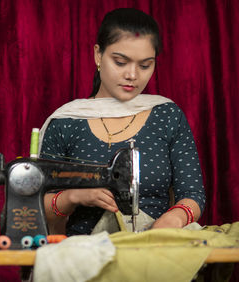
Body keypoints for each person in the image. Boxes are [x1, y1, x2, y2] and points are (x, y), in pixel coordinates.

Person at [39, 8, 206, 236]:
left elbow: (193, 194)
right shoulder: (67, 122)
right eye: (120, 62)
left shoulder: (167, 116)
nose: (132, 75)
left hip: (155, 246)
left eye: (145, 65)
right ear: (98, 55)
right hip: (85, 255)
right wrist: (73, 196)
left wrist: (175, 217)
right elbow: (36, 207)